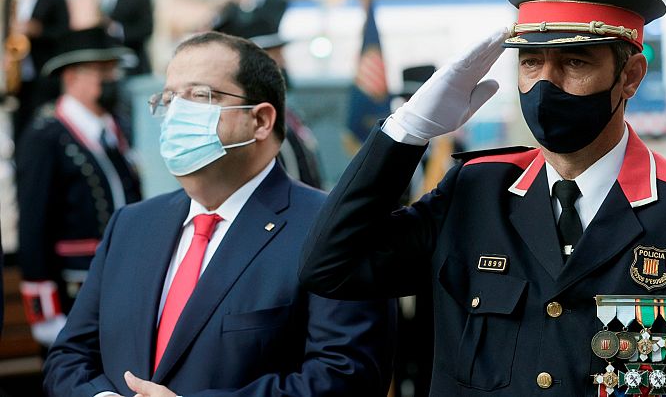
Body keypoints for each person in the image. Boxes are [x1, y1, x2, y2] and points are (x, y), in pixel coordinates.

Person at [300, 0, 666, 396]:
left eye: (574, 63)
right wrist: (406, 132)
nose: (546, 85)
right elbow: (330, 266)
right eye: (530, 62)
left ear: (630, 76)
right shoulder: (474, 191)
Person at [44, 32, 395, 396]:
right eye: (168, 99)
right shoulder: (131, 225)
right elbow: (68, 357)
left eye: (199, 96)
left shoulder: (333, 228)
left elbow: (347, 376)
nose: (175, 114)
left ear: (260, 120)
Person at [16, 27, 142, 348]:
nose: (113, 79)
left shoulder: (116, 129)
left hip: (122, 288)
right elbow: (33, 224)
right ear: (72, 77)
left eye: (114, 70)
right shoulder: (46, 135)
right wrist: (45, 311)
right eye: (103, 71)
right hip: (75, 293)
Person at [3, 0, 69, 143]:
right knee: (19, 126)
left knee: (43, 126)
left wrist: (38, 30)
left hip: (43, 73)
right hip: (19, 74)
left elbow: (64, 33)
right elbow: (7, 35)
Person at [250, 33, 323, 189]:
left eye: (281, 56)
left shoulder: (288, 113)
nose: (283, 63)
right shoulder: (258, 122)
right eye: (275, 57)